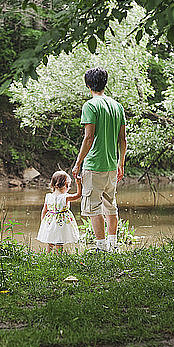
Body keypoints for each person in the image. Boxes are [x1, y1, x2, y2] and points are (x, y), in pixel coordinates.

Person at [72, 67, 127, 252]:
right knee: (110, 205)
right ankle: (113, 245)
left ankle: (101, 247)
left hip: (94, 165)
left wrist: (78, 163)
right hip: (112, 165)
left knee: (94, 207)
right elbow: (123, 139)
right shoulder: (117, 106)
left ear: (88, 85)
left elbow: (88, 138)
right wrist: (121, 163)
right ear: (105, 83)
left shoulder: (90, 106)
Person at [36, 170, 82, 253]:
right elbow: (78, 195)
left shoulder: (48, 196)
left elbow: (44, 210)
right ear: (65, 185)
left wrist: (43, 223)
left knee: (50, 240)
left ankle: (48, 255)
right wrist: (79, 184)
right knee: (59, 240)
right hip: (61, 223)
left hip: (50, 222)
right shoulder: (65, 197)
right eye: (69, 185)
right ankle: (59, 257)